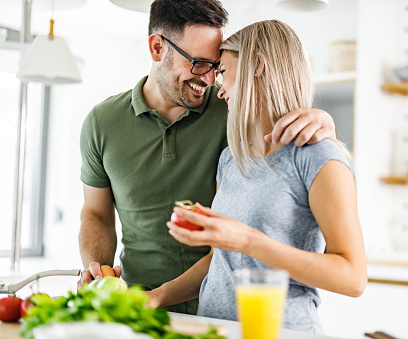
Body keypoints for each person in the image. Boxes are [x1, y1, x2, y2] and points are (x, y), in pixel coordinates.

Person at [77, 0, 337, 315]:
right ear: (158, 48)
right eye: (198, 63)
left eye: (217, 66)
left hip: (226, 309)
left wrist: (322, 120)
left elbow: (283, 132)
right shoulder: (102, 122)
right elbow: (97, 214)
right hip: (139, 303)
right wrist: (99, 272)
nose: (211, 80)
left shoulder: (232, 108)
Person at [146, 20, 367, 333]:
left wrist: (249, 241)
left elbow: (353, 278)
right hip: (217, 330)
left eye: (222, 71)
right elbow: (219, 259)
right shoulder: (230, 160)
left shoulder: (317, 156)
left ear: (258, 66)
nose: (218, 89)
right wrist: (157, 296)